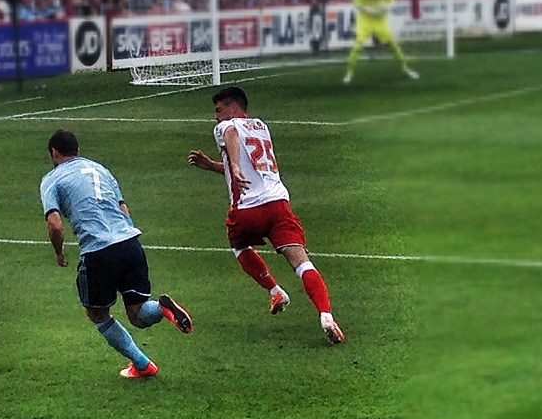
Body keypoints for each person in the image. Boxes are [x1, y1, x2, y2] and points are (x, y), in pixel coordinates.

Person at [186, 84, 345, 344]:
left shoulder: (226, 126)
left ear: (233, 107)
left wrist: (233, 164)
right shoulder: (261, 126)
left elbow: (231, 135)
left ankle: (275, 291)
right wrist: (216, 166)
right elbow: (250, 165)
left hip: (248, 208)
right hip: (278, 204)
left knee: (238, 246)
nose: (216, 117)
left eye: (219, 110)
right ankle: (326, 315)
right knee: (302, 263)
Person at [40, 128, 192, 379]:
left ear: (54, 152)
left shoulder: (52, 179)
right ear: (77, 150)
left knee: (97, 313)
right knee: (138, 314)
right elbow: (123, 209)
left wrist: (59, 253)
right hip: (129, 242)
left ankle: (143, 364)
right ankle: (162, 309)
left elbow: (54, 224)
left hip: (98, 251)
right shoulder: (101, 170)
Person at [343, 0, 419, 84]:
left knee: (393, 44)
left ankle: (405, 68)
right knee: (357, 46)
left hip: (380, 19)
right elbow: (356, 1)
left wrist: (385, 7)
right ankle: (349, 73)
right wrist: (366, 8)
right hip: (365, 18)